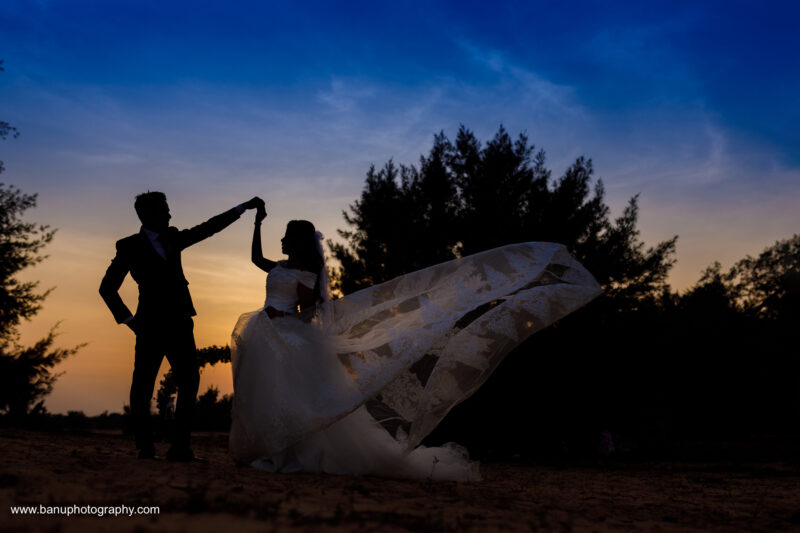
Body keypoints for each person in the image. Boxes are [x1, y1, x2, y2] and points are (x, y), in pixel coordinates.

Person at [229, 205, 602, 480]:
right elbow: (254, 257)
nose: (281, 239)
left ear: (297, 241)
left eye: (285, 235)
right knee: (271, 393)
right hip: (267, 332)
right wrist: (257, 222)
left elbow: (309, 312)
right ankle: (272, 449)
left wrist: (284, 318)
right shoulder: (278, 266)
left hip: (289, 336)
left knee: (296, 396)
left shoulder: (307, 273)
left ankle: (289, 454)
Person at [100, 191, 264, 462]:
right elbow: (107, 288)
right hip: (149, 326)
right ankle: (145, 446)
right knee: (143, 385)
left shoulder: (173, 237)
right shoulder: (128, 246)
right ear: (147, 214)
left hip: (180, 323)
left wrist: (242, 208)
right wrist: (130, 321)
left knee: (190, 381)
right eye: (164, 210)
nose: (169, 214)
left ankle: (181, 448)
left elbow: (208, 228)